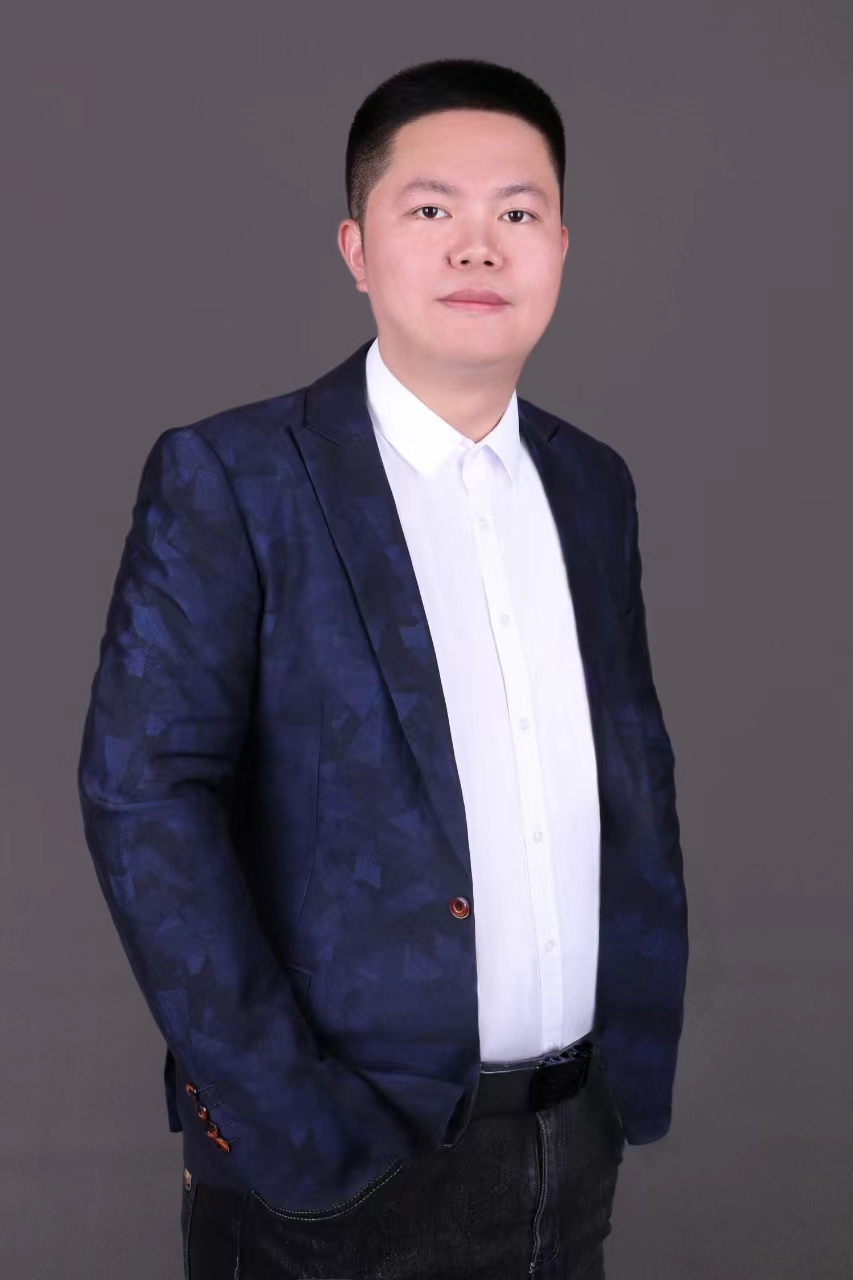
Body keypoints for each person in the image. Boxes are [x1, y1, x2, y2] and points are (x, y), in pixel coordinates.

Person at [77, 56, 688, 1280]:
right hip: (340, 1161)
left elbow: (626, 768)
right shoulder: (239, 476)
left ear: (560, 247)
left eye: (517, 212)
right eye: (431, 208)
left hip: (571, 1136)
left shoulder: (590, 484)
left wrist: (620, 1070)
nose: (478, 245)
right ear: (357, 247)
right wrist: (285, 1118)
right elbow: (143, 798)